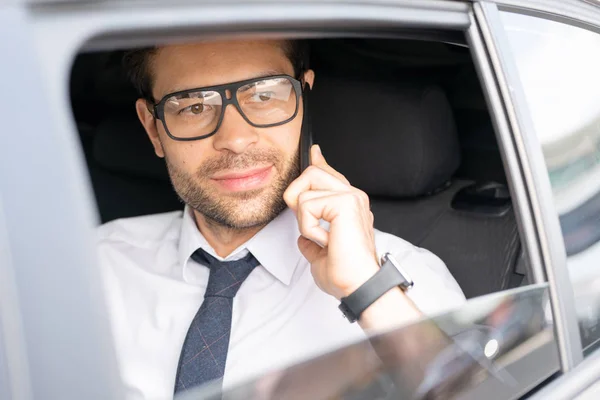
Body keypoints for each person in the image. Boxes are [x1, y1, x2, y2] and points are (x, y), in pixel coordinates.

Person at [97, 38, 466, 399]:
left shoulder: (408, 287)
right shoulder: (93, 265)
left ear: (304, 99)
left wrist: (368, 291)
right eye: (193, 106)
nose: (236, 139)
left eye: (263, 95)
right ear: (152, 128)